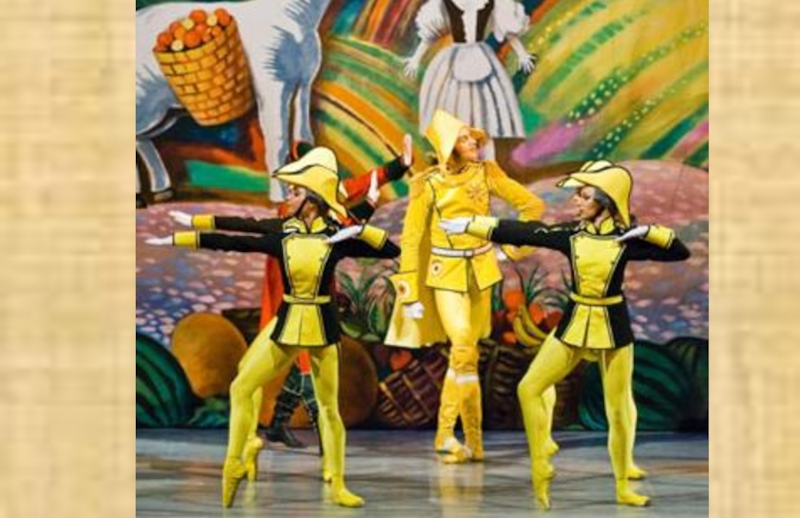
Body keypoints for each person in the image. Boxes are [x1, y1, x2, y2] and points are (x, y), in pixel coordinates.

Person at [147, 147, 400, 508]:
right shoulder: (283, 231)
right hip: (288, 322)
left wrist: (358, 231)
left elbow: (389, 250)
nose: (289, 197)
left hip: (323, 326)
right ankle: (235, 461)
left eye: (295, 192)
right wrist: (186, 230)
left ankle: (338, 482)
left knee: (328, 408)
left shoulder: (336, 235)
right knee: (241, 386)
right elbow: (236, 237)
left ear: (313, 198)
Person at [439, 160, 691, 508]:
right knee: (529, 387)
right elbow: (528, 232)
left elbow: (679, 251)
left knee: (619, 409)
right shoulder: (572, 235)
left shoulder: (626, 240)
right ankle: (541, 462)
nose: (576, 201)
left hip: (613, 325)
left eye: (584, 196)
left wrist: (648, 232)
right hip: (574, 322)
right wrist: (474, 225)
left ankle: (623, 485)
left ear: (606, 200)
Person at [385, 108, 547, 464]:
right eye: (464, 138)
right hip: (445, 273)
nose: (474, 141)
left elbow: (532, 205)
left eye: (473, 136)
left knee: (465, 354)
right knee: (462, 348)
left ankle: (454, 437)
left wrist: (510, 250)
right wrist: (409, 290)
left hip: (481, 272)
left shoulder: (486, 172)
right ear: (448, 147)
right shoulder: (428, 183)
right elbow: (411, 238)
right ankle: (465, 439)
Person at [403, 0, 537, 160]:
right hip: (451, 63)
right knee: (453, 114)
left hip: (483, 60)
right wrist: (416, 58)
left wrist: (521, 53)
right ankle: (451, 167)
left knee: (485, 117)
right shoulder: (445, 2)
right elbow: (431, 31)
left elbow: (506, 27)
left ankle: (488, 166)